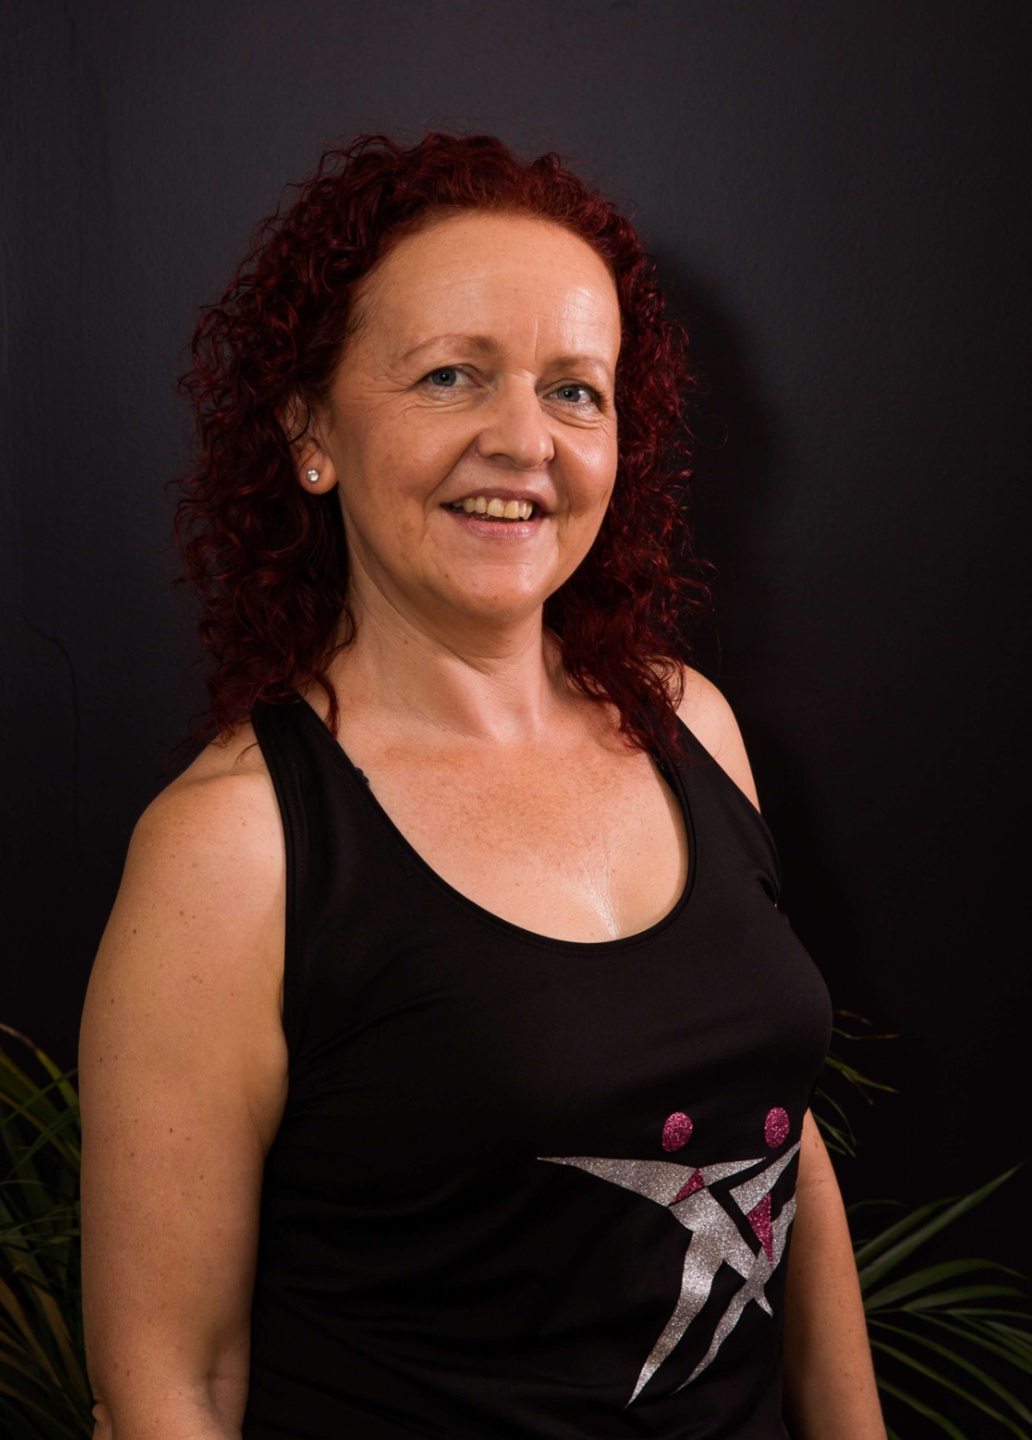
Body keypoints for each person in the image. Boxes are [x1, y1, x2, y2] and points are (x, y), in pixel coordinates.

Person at [79, 132, 886, 1439]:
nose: (526, 443)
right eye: (452, 376)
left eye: (577, 391)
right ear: (311, 433)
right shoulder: (237, 847)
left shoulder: (693, 728)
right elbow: (175, 1384)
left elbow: (776, 1148)